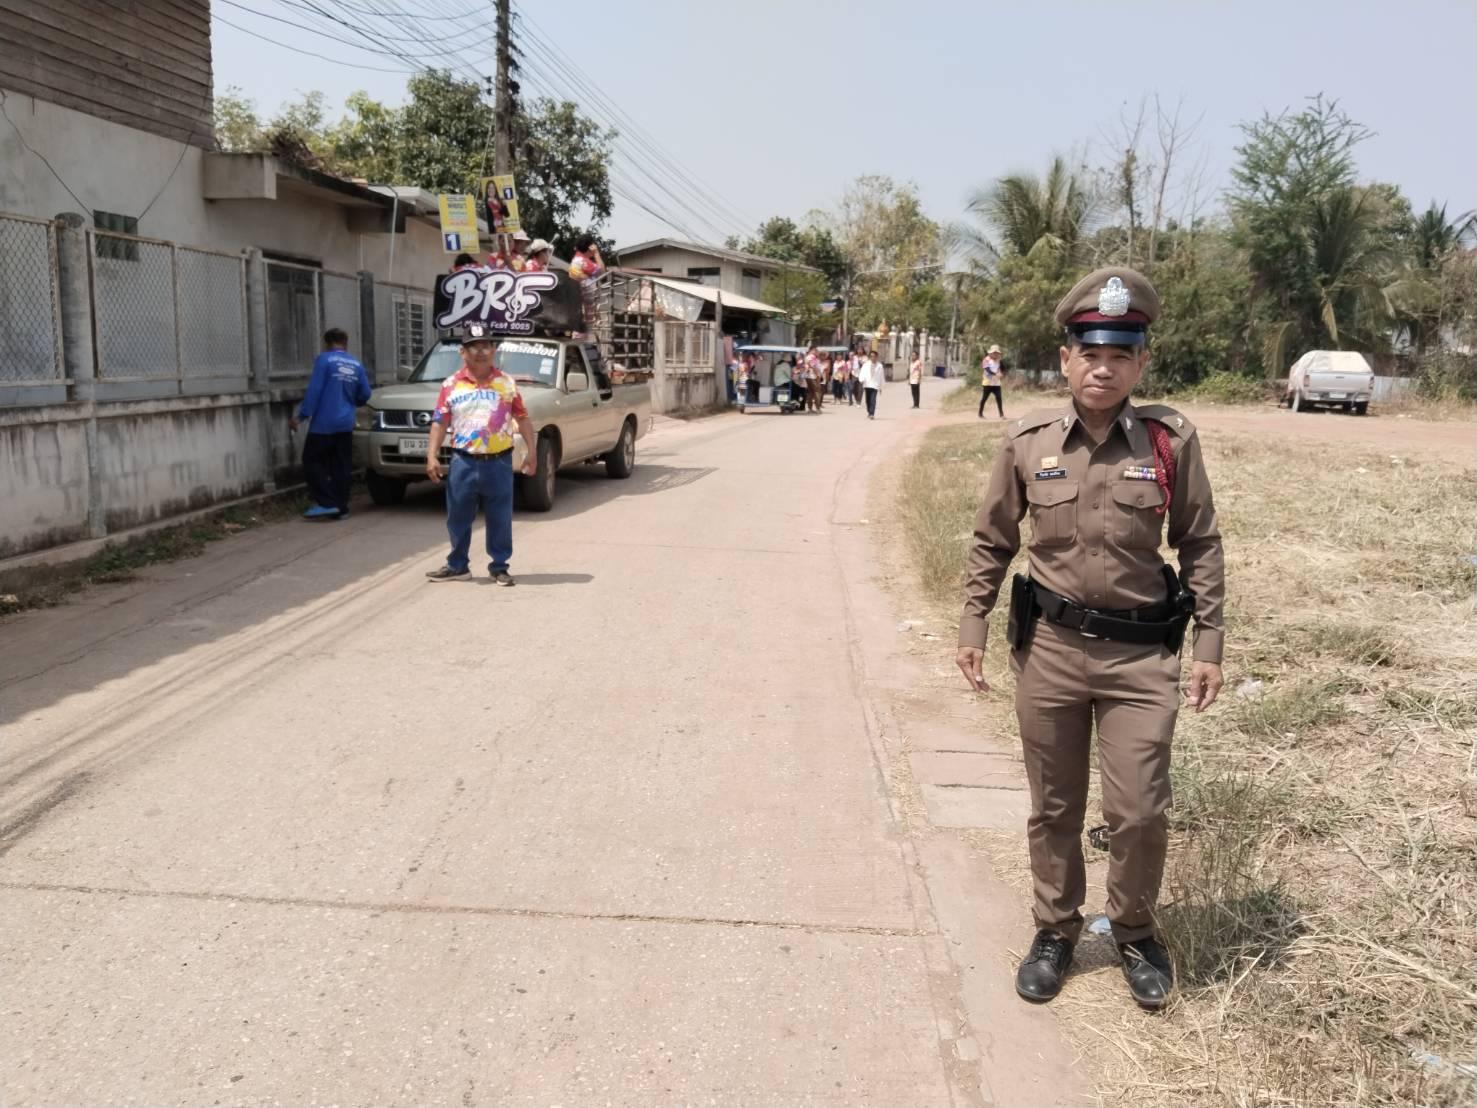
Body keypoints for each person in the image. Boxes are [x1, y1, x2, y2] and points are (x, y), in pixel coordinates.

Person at [954, 267, 1225, 1012]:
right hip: (1050, 650)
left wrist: (1209, 642)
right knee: (1054, 805)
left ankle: (1134, 931)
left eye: (1119, 355)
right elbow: (992, 539)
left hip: (1140, 656)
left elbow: (1199, 541)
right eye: (1089, 354)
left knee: (1138, 809)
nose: (1102, 368)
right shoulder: (1027, 441)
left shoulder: (1169, 440)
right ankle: (1055, 930)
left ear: (1141, 363)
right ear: (1065, 359)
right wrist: (973, 622)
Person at [423, 323, 540, 585]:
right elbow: (440, 422)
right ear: (462, 352)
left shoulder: (506, 384)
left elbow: (522, 418)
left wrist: (532, 451)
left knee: (500, 517)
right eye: (473, 347)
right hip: (463, 462)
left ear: (493, 350)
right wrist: (431, 455)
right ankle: (457, 566)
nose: (480, 352)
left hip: (498, 462)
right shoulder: (451, 385)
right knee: (458, 517)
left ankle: (499, 567)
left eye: (485, 346)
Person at [290, 328, 371, 521]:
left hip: (324, 424)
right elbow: (365, 394)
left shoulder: (324, 360)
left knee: (312, 461)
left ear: (326, 343)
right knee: (341, 466)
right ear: (345, 343)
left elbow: (314, 390)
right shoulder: (356, 364)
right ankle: (341, 508)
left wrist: (300, 416)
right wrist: (353, 402)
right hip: (346, 423)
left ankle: (327, 503)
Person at [979, 343, 1005, 418]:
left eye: (997, 353)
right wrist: (996, 374)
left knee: (999, 398)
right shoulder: (986, 360)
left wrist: (1001, 372)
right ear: (991, 353)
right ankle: (980, 413)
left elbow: (1003, 368)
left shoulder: (999, 360)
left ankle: (1001, 414)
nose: (996, 354)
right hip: (987, 383)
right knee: (984, 398)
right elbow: (987, 370)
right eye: (994, 353)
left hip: (996, 383)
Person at [858, 349, 884, 419]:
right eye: (871, 356)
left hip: (875, 385)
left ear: (877, 357)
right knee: (868, 400)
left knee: (873, 399)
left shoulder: (880, 366)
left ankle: (872, 413)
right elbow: (862, 372)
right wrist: (861, 379)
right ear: (870, 357)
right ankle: (869, 411)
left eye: (874, 356)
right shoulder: (866, 365)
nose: (873, 358)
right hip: (867, 384)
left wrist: (881, 386)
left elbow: (881, 376)